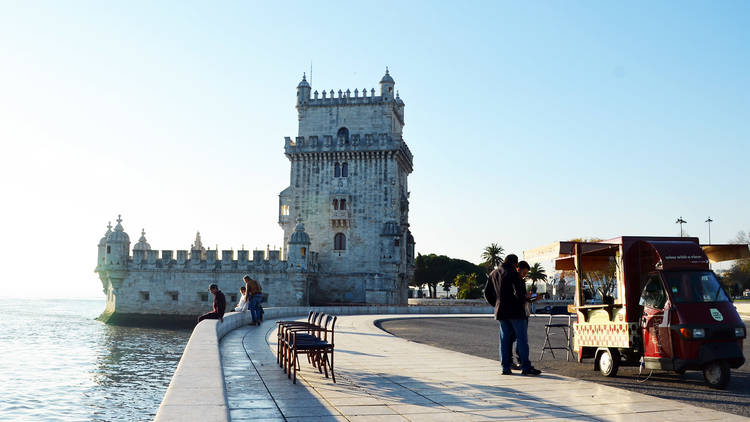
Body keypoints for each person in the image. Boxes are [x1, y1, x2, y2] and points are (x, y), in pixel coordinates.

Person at [484, 254, 541, 376]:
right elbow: (519, 293)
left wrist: (497, 304)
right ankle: (525, 367)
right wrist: (526, 297)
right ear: (515, 263)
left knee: (504, 340)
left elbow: (487, 294)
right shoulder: (514, 273)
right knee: (521, 340)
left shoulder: (493, 273)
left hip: (501, 312)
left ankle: (505, 368)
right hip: (516, 311)